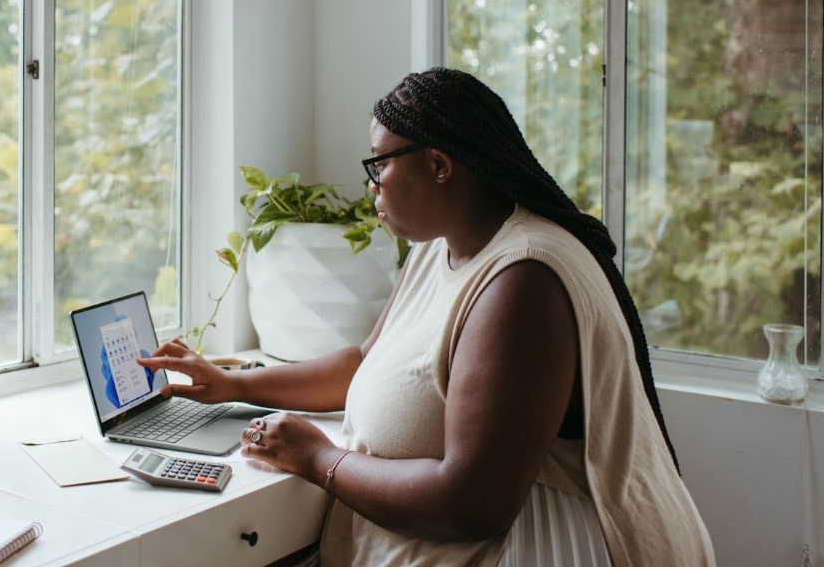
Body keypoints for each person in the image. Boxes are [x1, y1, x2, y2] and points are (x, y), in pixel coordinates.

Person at [140, 67, 716, 566]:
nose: (370, 187)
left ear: (439, 165)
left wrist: (319, 457)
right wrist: (234, 383)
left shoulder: (523, 281)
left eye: (379, 164)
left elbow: (471, 504)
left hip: (546, 548)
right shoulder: (439, 247)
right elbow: (366, 361)